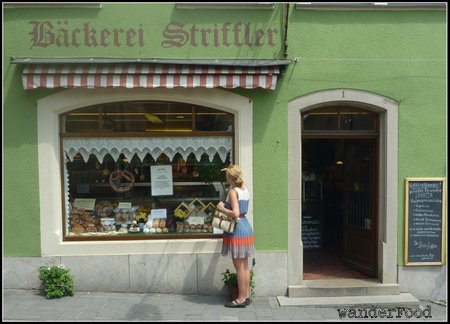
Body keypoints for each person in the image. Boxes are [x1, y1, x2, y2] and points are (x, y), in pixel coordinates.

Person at [216, 165, 255, 308]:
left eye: (227, 176)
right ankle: (246, 296)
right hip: (246, 226)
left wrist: (222, 208)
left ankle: (239, 299)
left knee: (239, 267)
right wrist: (229, 170)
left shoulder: (233, 192)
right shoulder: (245, 189)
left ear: (230, 178)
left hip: (237, 229)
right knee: (245, 266)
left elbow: (236, 213)